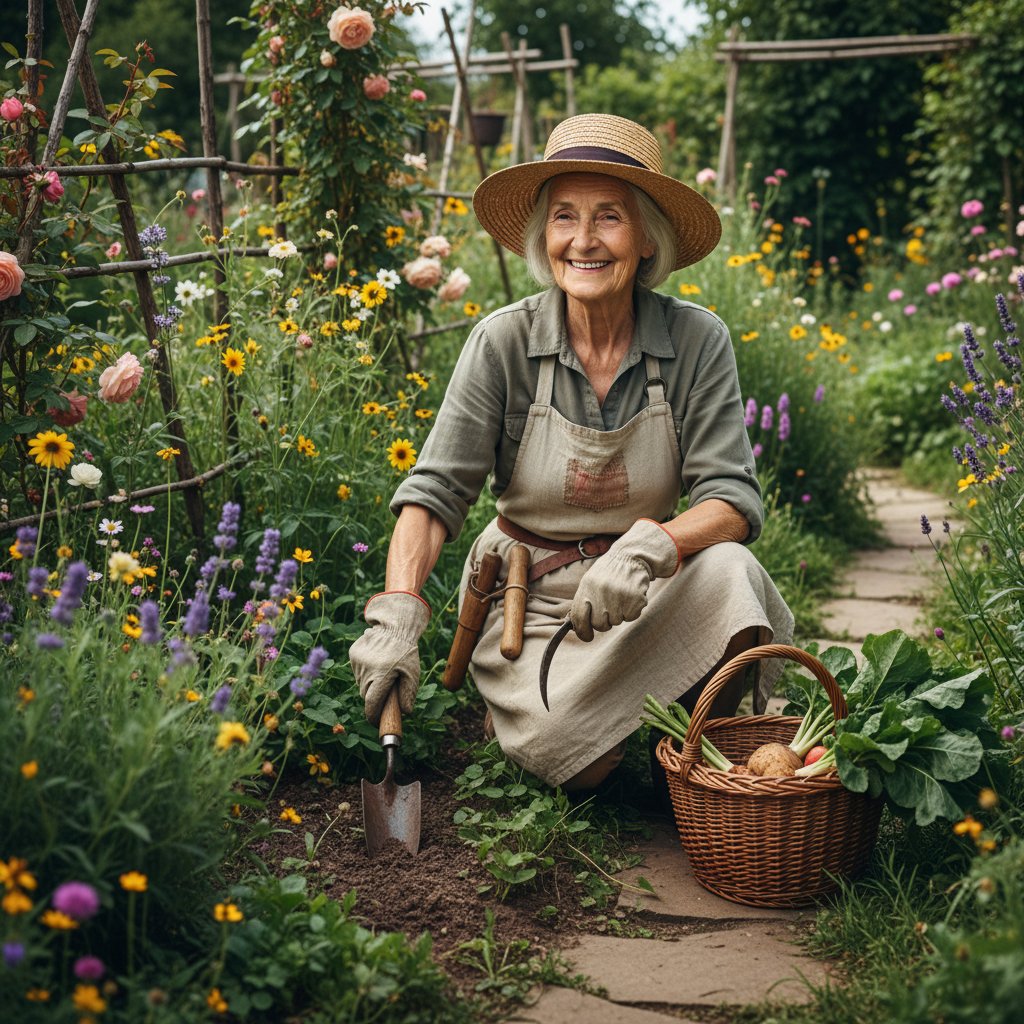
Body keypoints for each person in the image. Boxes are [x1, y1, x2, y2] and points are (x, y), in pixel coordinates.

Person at [349, 114, 794, 792]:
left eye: (609, 217)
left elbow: (732, 501)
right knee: (579, 761)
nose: (583, 241)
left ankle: (694, 747)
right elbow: (434, 495)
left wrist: (651, 547)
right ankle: (563, 722)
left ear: (647, 239)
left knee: (733, 571)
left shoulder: (696, 340)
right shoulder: (504, 343)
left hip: (645, 589)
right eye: (564, 218)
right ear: (543, 235)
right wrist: (399, 608)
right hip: (534, 597)